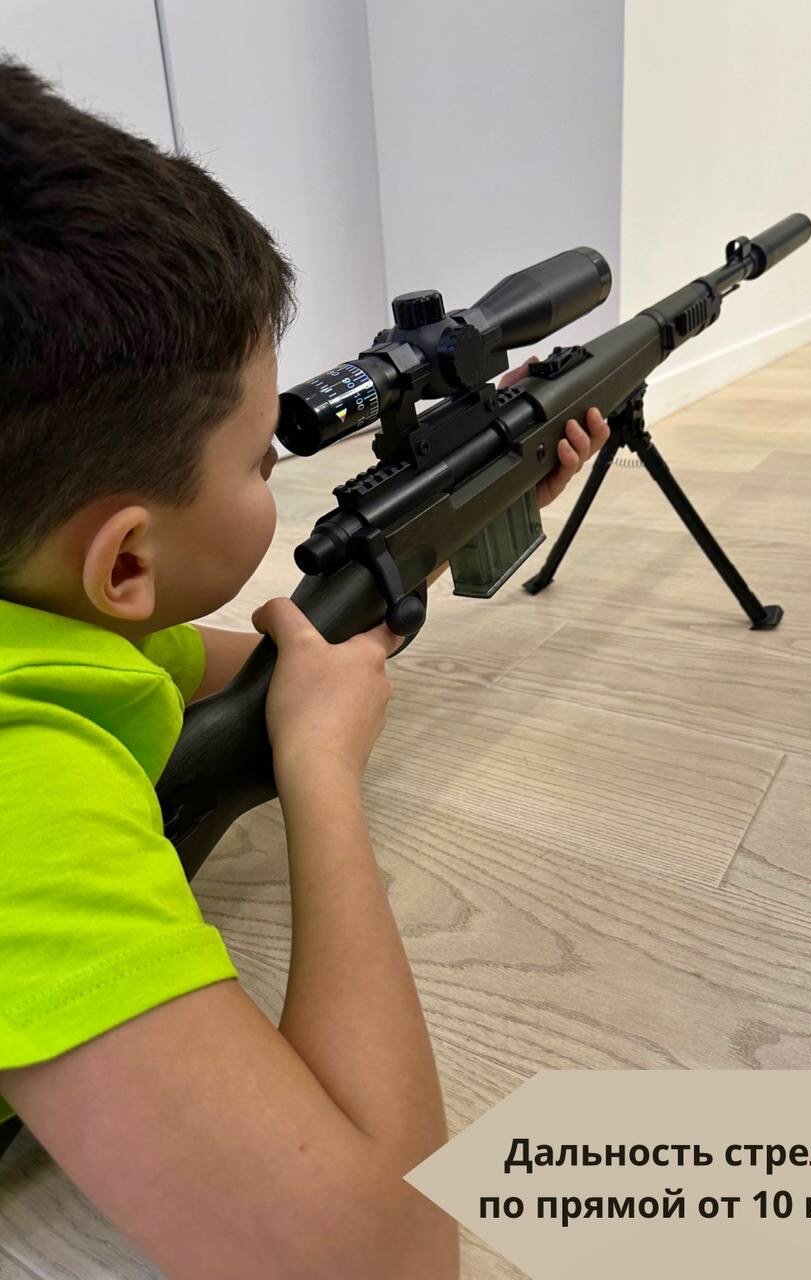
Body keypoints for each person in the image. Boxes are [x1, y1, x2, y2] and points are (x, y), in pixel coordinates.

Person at [0, 56, 610, 1279]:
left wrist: (450, 523)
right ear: (126, 562)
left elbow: (288, 663)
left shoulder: (57, 624)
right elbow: (386, 1257)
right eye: (259, 463)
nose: (272, 477)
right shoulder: (25, 794)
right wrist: (322, 775)